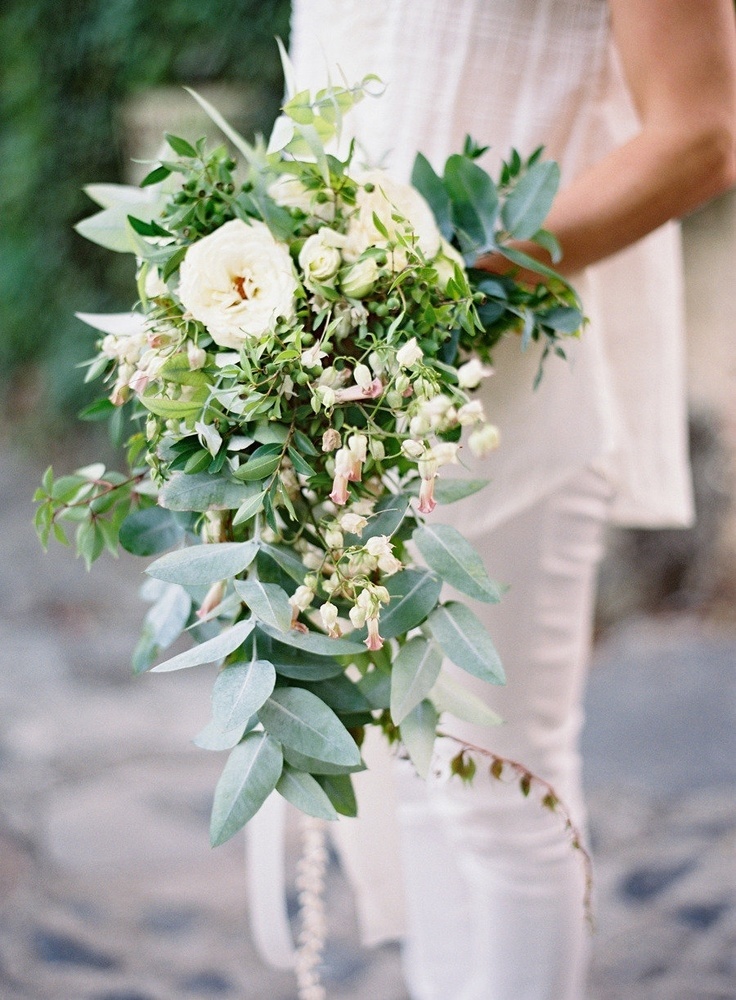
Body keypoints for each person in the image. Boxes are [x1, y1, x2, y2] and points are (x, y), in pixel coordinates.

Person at [288, 3, 736, 998]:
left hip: (514, 380)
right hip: (347, 375)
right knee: (409, 754)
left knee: (498, 781)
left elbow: (701, 135)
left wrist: (435, 289)